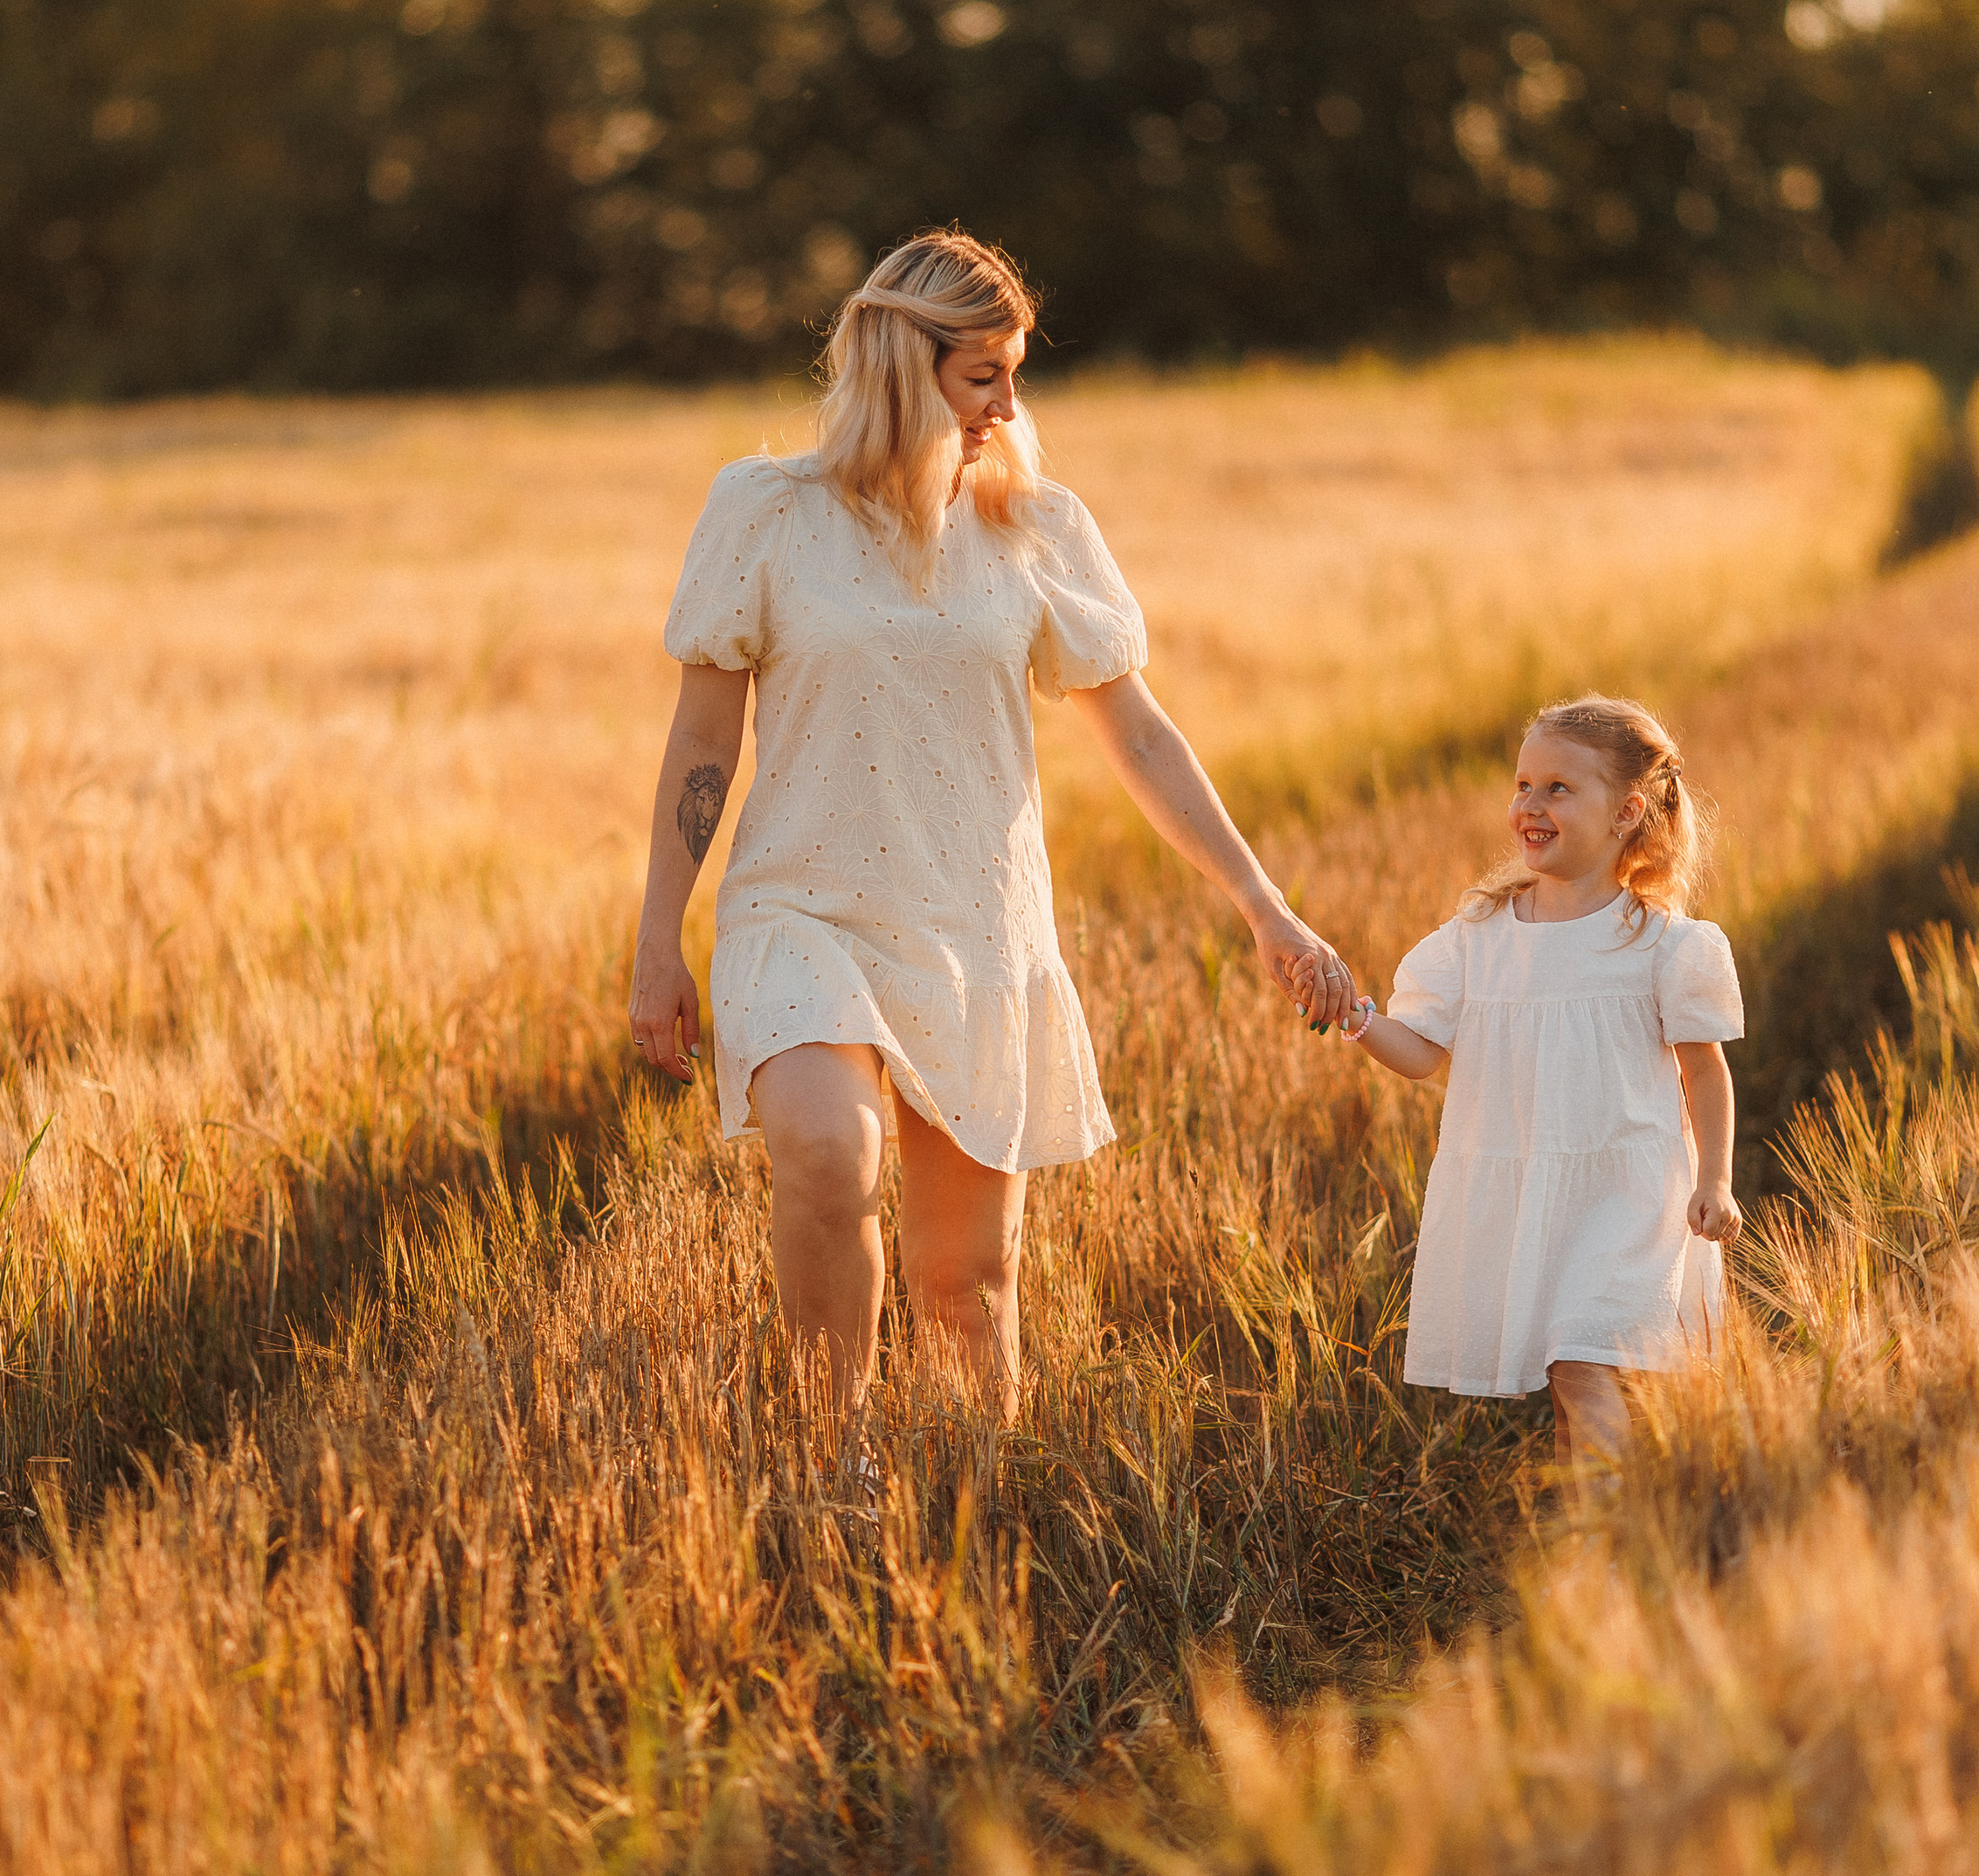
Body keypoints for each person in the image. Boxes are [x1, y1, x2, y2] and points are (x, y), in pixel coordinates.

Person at [628, 229, 1357, 1419]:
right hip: (799, 910)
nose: (1008, 405)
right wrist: (659, 944)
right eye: (985, 376)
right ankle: (839, 1472)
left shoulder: (1038, 527)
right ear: (901, 364)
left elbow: (1142, 737)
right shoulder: (762, 511)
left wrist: (1264, 908)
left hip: (974, 921)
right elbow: (704, 742)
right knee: (827, 1155)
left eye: (1016, 373)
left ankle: (979, 1502)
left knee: (967, 1284)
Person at [1308, 695, 1744, 1470]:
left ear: (1626, 812)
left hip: (1628, 1188)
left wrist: (1715, 1178)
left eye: (1557, 789)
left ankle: (1609, 1546)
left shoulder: (1661, 945)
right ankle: (1605, 1545)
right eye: (1522, 785)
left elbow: (1703, 1069)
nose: (1529, 805)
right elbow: (1420, 1054)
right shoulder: (1479, 937)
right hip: (1529, 1194)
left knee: (1580, 1367)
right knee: (1571, 1388)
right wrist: (1357, 1014)